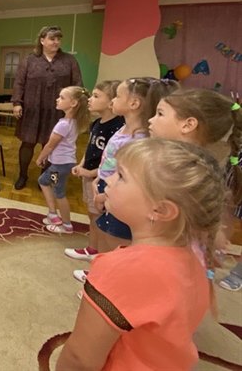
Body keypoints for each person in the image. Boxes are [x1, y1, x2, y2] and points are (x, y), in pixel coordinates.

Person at [57, 139, 228, 371]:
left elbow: (79, 359)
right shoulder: (195, 260)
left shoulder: (121, 270)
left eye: (121, 176)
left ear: (161, 209)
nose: (108, 179)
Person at [148, 88, 242, 291]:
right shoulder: (173, 162)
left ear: (188, 125)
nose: (151, 120)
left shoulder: (192, 174)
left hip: (175, 263)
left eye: (160, 114)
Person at [90, 77, 179, 255]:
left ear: (134, 103)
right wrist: (99, 178)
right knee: (104, 231)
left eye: (117, 96)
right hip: (107, 186)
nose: (113, 100)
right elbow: (110, 160)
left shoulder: (138, 141)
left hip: (119, 193)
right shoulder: (123, 128)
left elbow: (131, 178)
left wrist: (105, 194)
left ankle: (108, 268)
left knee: (115, 241)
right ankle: (100, 262)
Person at [11, 26, 82, 190]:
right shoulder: (29, 60)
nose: (56, 42)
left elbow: (78, 85)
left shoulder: (69, 61)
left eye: (58, 39)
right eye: (52, 38)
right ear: (42, 40)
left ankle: (43, 178)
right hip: (32, 109)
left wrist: (75, 108)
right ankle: (22, 175)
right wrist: (17, 103)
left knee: (50, 145)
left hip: (57, 111)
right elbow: (19, 83)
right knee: (27, 143)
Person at [65, 80, 124, 260]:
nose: (90, 99)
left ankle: (99, 253)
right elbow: (90, 147)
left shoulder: (117, 127)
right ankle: (93, 248)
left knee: (100, 217)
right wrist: (82, 165)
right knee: (92, 214)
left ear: (111, 102)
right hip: (89, 175)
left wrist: (91, 173)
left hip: (102, 179)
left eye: (96, 96)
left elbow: (114, 161)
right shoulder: (97, 123)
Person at [36, 86, 90, 234]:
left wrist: (40, 158)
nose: (57, 99)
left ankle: (66, 225)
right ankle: (53, 214)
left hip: (60, 166)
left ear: (73, 103)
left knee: (58, 192)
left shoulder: (63, 125)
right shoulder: (72, 122)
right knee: (43, 181)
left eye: (62, 97)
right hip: (63, 164)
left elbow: (50, 145)